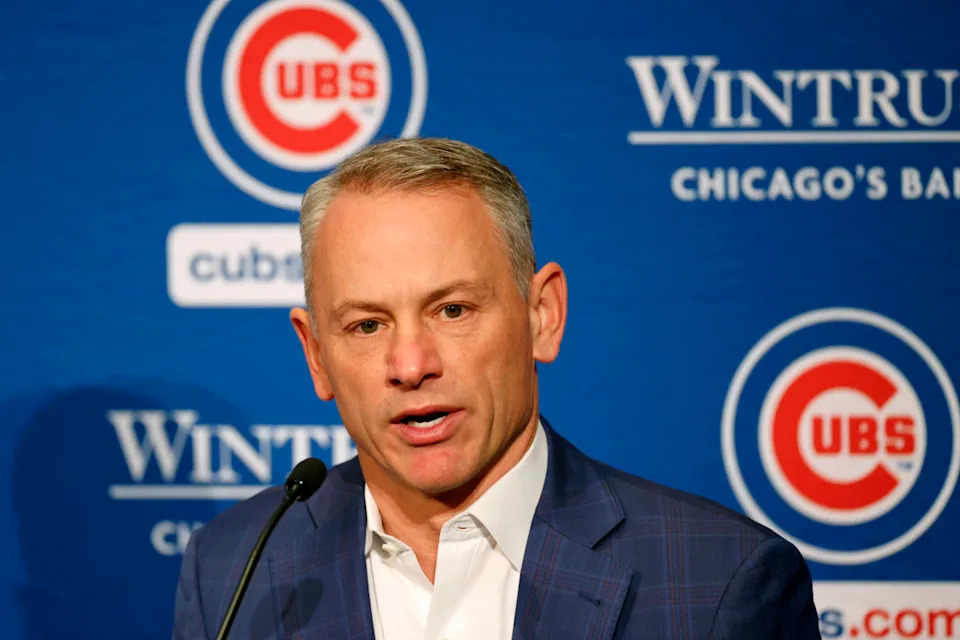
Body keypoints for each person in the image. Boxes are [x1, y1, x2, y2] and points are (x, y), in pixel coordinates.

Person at [173, 138, 821, 639]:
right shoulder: (232, 568)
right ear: (316, 355)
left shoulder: (719, 580)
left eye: (452, 310)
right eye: (367, 324)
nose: (410, 364)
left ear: (543, 315)